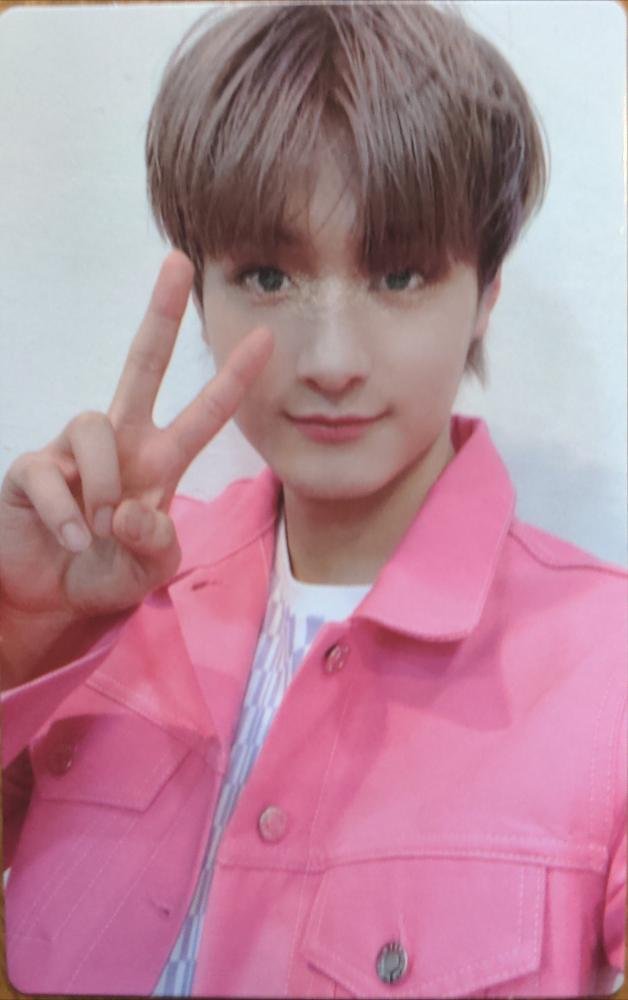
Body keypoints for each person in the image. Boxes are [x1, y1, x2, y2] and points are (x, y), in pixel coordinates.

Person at [0, 2, 625, 997]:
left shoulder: (607, 664)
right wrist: (19, 639)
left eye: (399, 275)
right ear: (203, 294)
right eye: (267, 275)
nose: (331, 361)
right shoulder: (99, 590)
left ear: (487, 292)